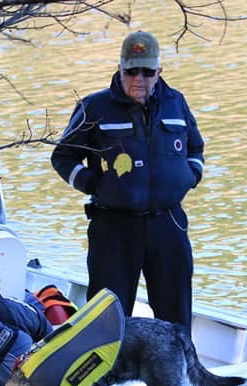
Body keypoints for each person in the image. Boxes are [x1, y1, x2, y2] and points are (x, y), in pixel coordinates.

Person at [50, 31, 204, 331]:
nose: (139, 79)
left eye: (147, 72)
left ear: (159, 72)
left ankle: (179, 377)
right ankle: (102, 378)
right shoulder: (94, 107)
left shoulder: (176, 103)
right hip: (114, 228)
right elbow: (62, 157)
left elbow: (196, 148)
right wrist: (94, 185)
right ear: (120, 69)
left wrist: (190, 176)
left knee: (176, 322)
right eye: (132, 71)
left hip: (168, 224)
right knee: (106, 322)